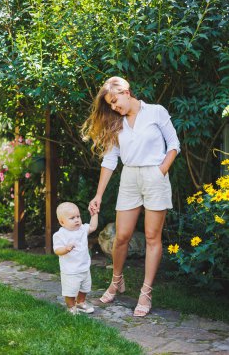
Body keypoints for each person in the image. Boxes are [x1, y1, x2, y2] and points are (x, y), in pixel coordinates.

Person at [81, 76, 180, 317]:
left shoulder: (156, 112)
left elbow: (174, 144)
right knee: (121, 236)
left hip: (155, 175)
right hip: (129, 178)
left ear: (126, 91)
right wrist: (98, 195)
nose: (115, 107)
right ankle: (117, 281)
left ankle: (145, 292)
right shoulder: (116, 122)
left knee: (151, 236)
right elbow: (110, 159)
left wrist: (161, 171)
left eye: (115, 101)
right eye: (111, 105)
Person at [53, 202, 98, 315]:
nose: (77, 220)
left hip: (84, 267)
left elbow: (93, 227)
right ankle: (71, 307)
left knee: (85, 288)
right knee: (71, 290)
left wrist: (94, 215)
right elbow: (57, 250)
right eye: (72, 218)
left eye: (78, 216)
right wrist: (65, 249)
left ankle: (80, 302)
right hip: (70, 270)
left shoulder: (82, 229)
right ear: (62, 222)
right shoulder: (60, 234)